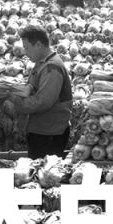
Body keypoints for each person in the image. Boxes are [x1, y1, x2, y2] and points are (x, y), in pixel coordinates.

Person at [8, 25, 73, 159]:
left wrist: (16, 100)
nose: (25, 52)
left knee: (44, 168)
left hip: (49, 132)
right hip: (44, 129)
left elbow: (42, 101)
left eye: (27, 47)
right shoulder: (42, 63)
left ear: (38, 44)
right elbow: (34, 87)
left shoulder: (52, 67)